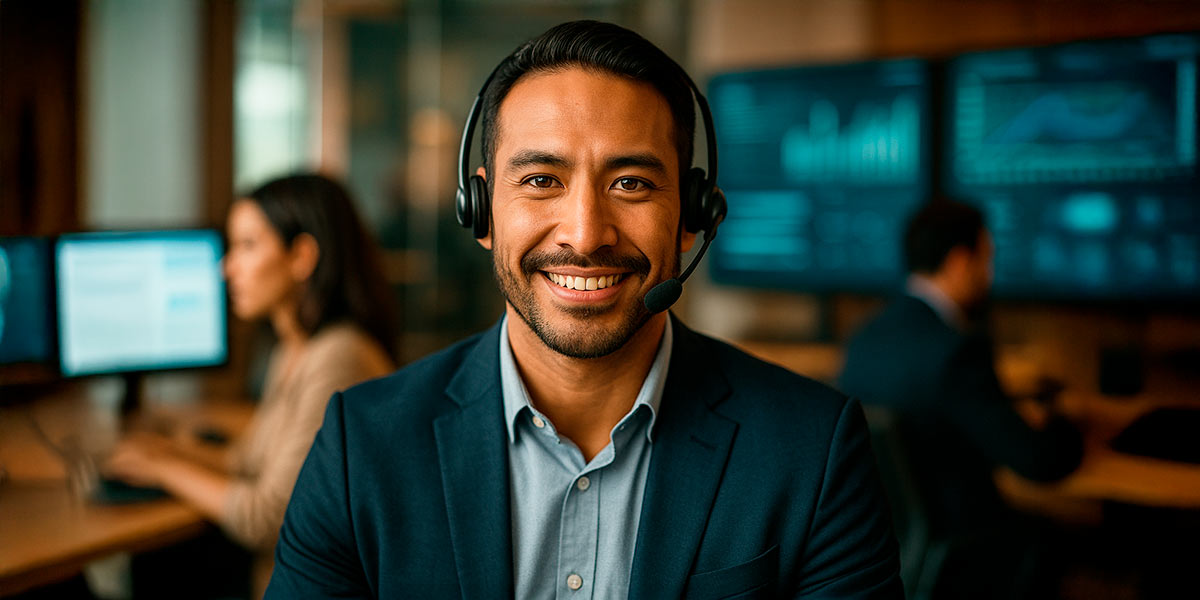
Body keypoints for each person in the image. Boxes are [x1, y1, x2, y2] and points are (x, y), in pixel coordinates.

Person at [266, 21, 900, 599]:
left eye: (631, 183)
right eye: (541, 180)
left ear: (692, 215)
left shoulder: (811, 449)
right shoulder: (364, 445)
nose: (586, 232)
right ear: (481, 212)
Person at [104, 173, 398, 599]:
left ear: (301, 257)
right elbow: (251, 461)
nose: (226, 268)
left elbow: (268, 518)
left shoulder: (339, 358)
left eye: (247, 246)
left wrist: (163, 469)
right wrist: (166, 450)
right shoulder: (294, 349)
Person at [839, 199, 1083, 598]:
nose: (989, 275)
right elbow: (1039, 462)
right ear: (958, 262)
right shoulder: (956, 353)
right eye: (986, 260)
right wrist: (1070, 419)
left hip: (883, 548)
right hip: (961, 547)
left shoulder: (863, 339)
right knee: (1054, 535)